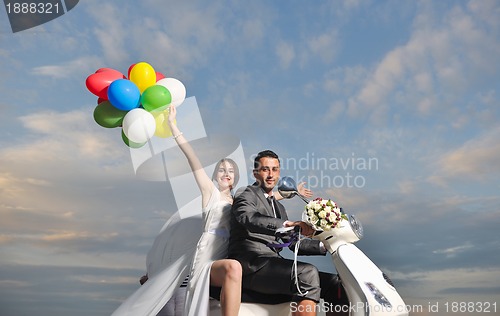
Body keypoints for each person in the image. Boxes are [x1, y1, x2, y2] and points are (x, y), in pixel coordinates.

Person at [228, 149, 349, 316]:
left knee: (336, 284)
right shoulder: (246, 194)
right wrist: (287, 223)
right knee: (306, 273)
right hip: (252, 264)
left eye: (275, 169)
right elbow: (248, 217)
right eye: (265, 169)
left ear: (279, 173)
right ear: (256, 173)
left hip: (273, 264)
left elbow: (292, 242)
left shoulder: (279, 207)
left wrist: (325, 245)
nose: (270, 174)